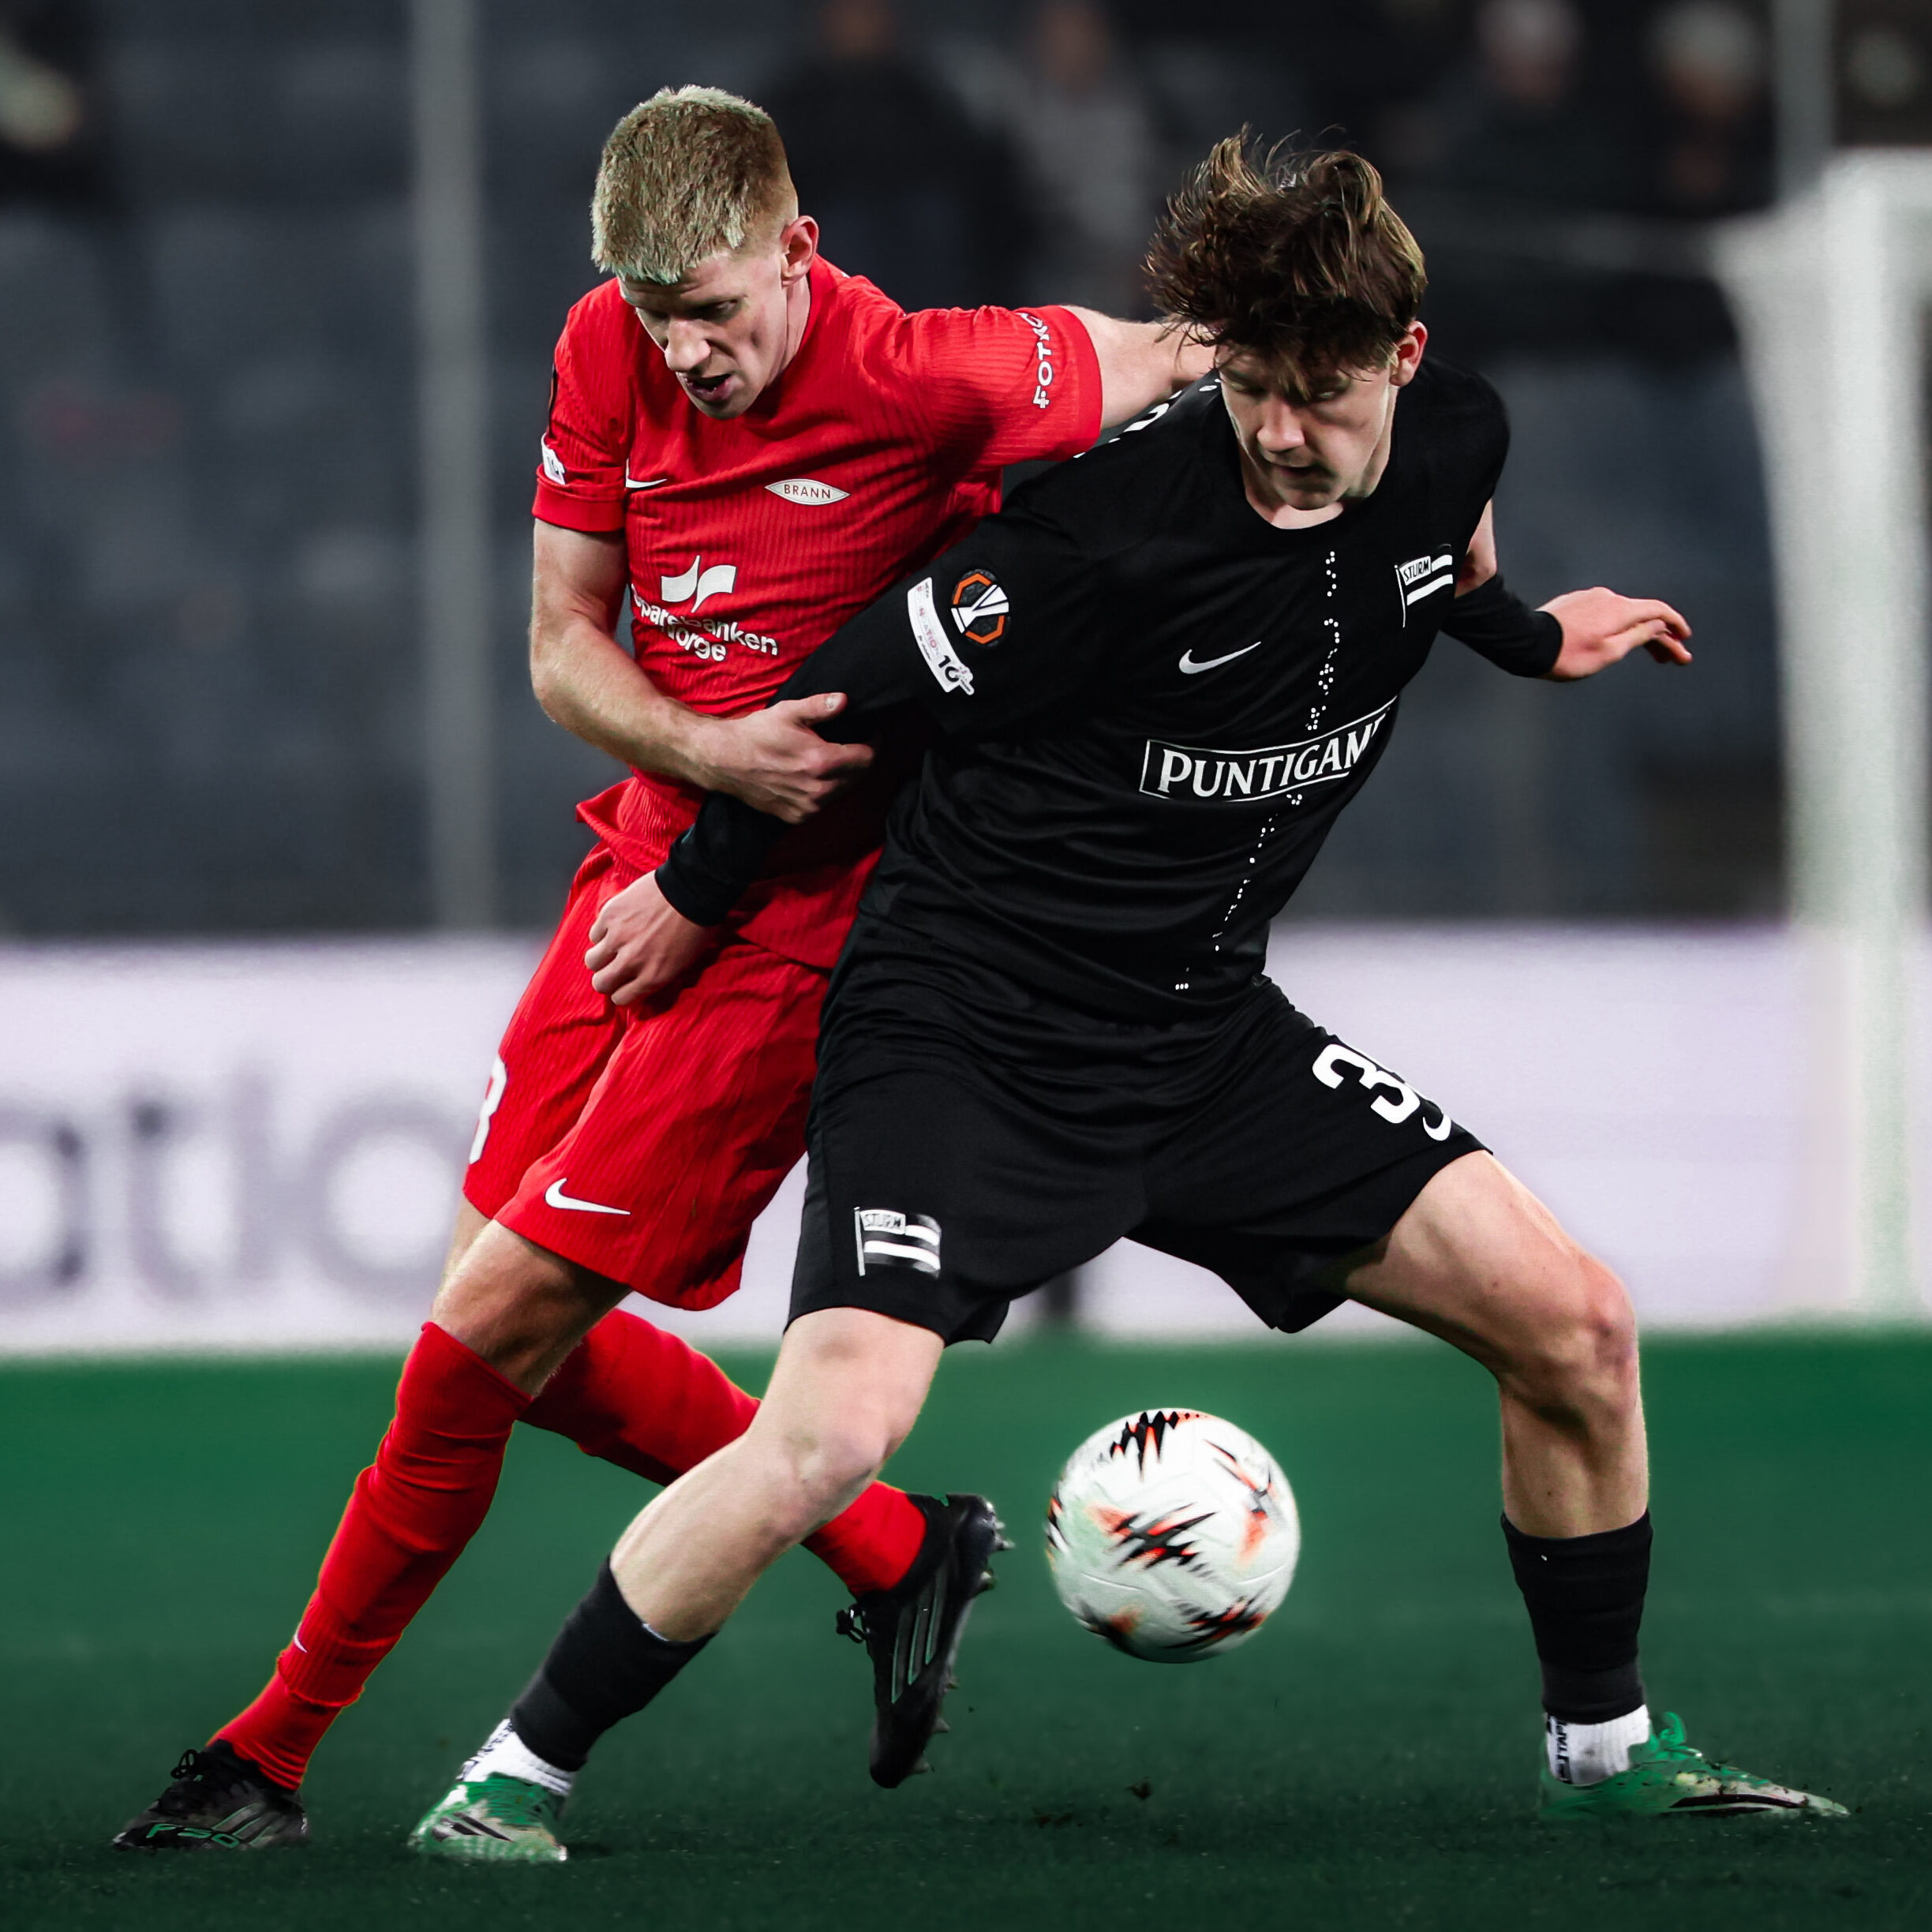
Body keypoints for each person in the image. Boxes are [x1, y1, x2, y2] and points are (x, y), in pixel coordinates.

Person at [419, 139, 1846, 1859]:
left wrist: (1539, 639)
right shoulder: (1096, 538)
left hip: (1204, 1034)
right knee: (825, 1440)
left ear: (1402, 359)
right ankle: (513, 1776)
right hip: (967, 1029)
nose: (1276, 434)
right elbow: (849, 696)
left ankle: (1604, 1747)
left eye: (1317, 398)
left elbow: (1445, 560)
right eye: (1248, 388)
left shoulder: (1458, 430)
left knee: (1577, 1327)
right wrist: (692, 891)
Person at [112, 84, 1206, 1856]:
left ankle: (268, 1755)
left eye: (709, 304)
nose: (680, 346)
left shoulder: (936, 371)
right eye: (647, 306)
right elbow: (562, 649)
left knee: (482, 1332)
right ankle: (903, 1549)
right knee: (510, 1327)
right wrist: (711, 765)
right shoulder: (602, 346)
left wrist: (1421, 471)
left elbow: (1168, 352)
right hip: (643, 860)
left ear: (797, 247)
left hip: (803, 928)